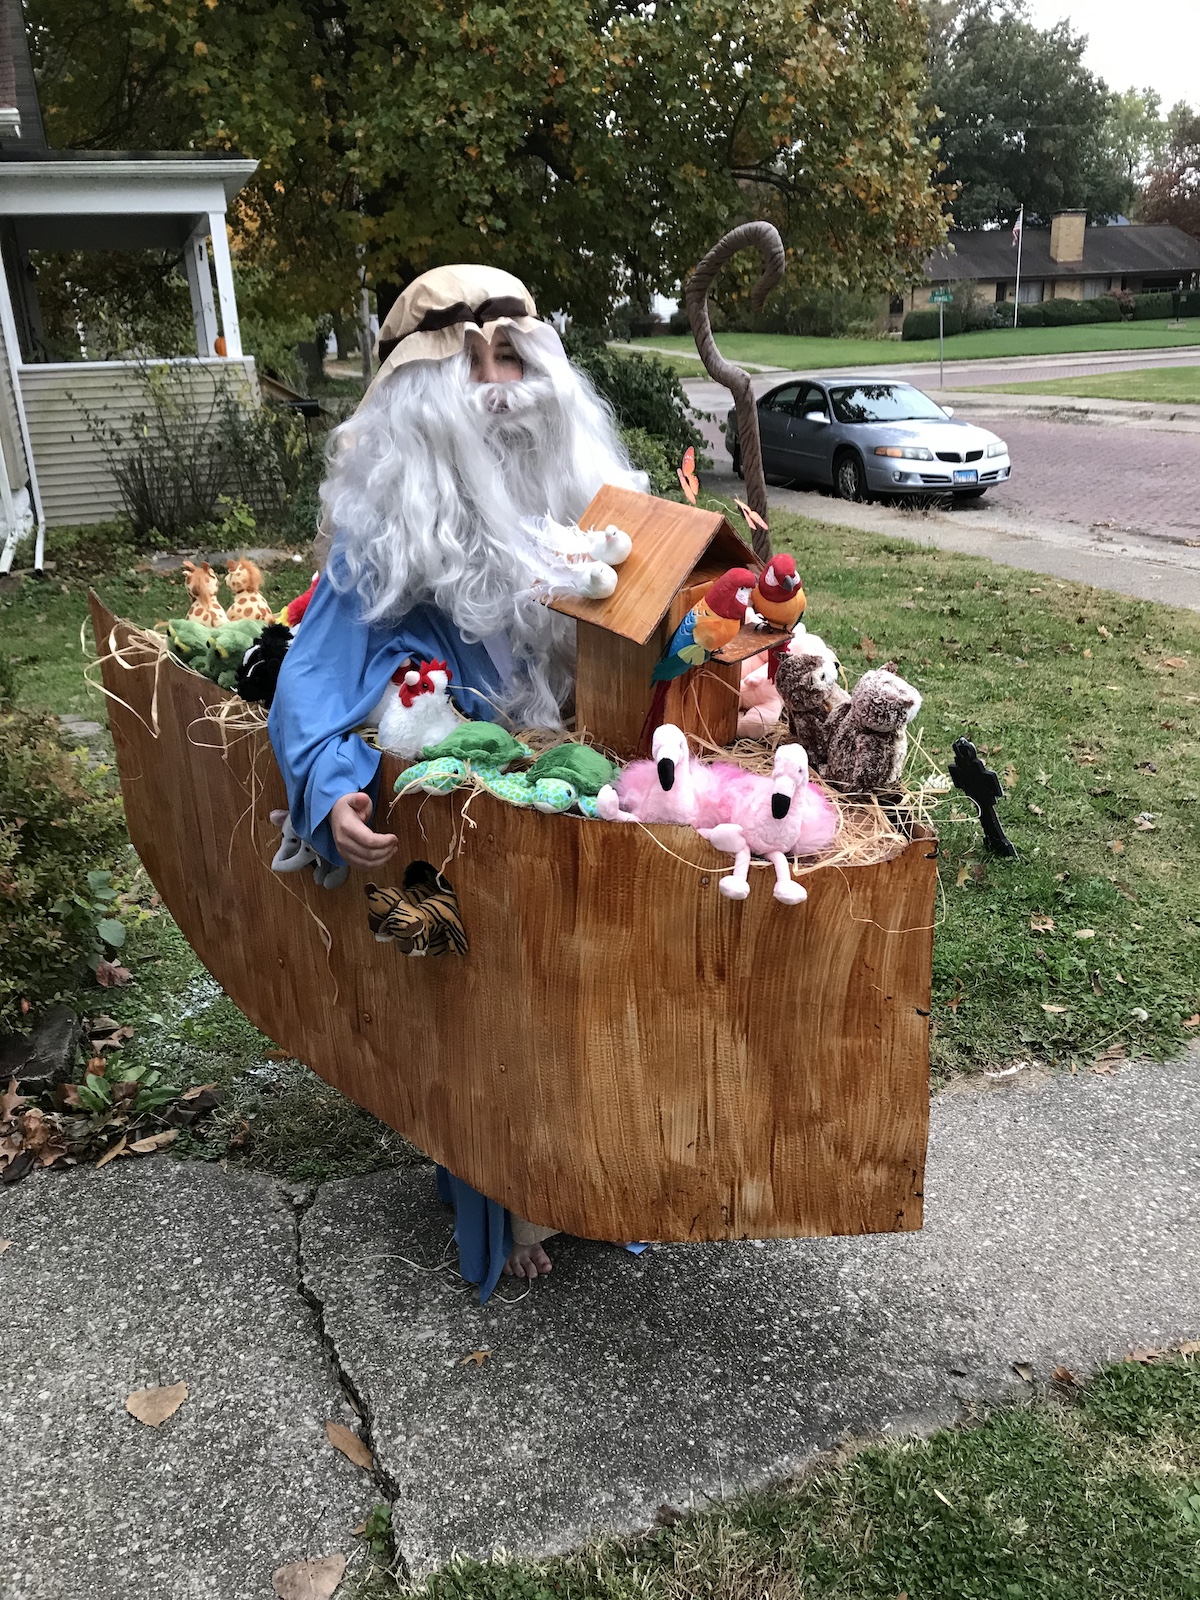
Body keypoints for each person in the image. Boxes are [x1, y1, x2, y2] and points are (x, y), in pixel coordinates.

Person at [268, 263, 647, 1296]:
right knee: (456, 993)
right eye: (469, 365)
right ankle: (485, 1182)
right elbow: (316, 676)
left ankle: (592, 1172)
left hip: (576, 792)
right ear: (422, 401)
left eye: (511, 358)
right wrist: (327, 783)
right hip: (447, 811)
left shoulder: (584, 504)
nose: (498, 387)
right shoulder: (386, 538)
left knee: (582, 981)